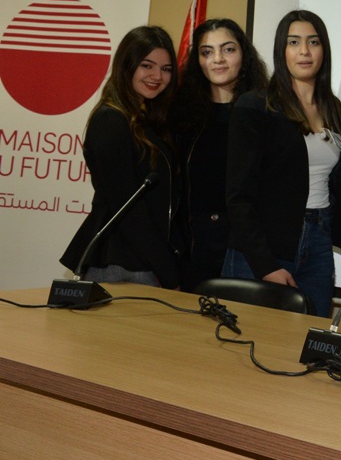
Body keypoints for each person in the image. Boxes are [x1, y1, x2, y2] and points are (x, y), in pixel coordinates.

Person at [223, 10, 341, 317]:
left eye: (313, 42)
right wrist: (265, 264)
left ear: (324, 50)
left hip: (319, 242)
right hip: (264, 247)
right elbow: (238, 196)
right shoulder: (256, 105)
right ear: (282, 50)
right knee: (252, 337)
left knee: (312, 334)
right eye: (294, 42)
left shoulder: (332, 107)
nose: (304, 51)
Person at [60, 26, 181, 288]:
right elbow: (128, 208)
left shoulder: (146, 120)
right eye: (147, 66)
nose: (157, 76)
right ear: (126, 65)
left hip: (143, 260)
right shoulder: (111, 120)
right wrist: (169, 272)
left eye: (166, 69)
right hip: (120, 264)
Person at [171, 18, 268, 292]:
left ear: (244, 55)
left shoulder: (265, 112)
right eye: (207, 52)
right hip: (194, 248)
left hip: (246, 247)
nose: (217, 59)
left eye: (228, 49)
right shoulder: (181, 113)